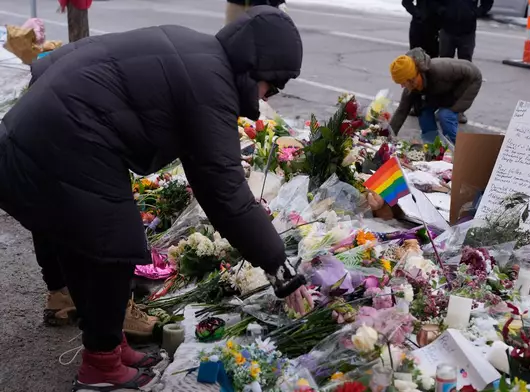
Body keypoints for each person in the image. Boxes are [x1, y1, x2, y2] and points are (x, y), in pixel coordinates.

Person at [0, 6, 312, 391]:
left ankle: (109, 345)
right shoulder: (211, 85)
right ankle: (101, 367)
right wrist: (280, 268)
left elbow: (60, 60)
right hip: (65, 138)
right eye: (273, 85)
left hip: (34, 129)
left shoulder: (197, 50)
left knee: (79, 236)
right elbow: (226, 195)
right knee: (113, 246)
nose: (270, 95)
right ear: (255, 71)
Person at [388, 48, 482, 145]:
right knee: (423, 113)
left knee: (445, 115)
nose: (402, 86)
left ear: (411, 78)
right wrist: (386, 137)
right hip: (444, 88)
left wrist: (452, 100)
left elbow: (469, 73)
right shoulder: (413, 85)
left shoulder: (437, 72)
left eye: (403, 82)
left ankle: (457, 149)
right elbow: (402, 111)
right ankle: (432, 148)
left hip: (469, 81)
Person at [436, 0, 492, 124]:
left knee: (466, 73)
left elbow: (487, 3)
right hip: (447, 29)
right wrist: (442, 11)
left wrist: (476, 12)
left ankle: (459, 110)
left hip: (467, 32)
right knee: (443, 71)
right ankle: (441, 106)